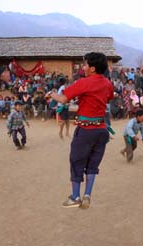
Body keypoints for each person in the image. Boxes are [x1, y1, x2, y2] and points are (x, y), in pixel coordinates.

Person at [47, 52, 113, 209]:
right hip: (101, 130)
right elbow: (107, 98)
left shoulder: (84, 82)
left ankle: (75, 197)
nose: (83, 67)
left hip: (85, 130)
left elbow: (63, 99)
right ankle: (87, 194)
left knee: (76, 162)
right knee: (93, 164)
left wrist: (52, 94)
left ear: (92, 68)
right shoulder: (108, 84)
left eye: (85, 65)